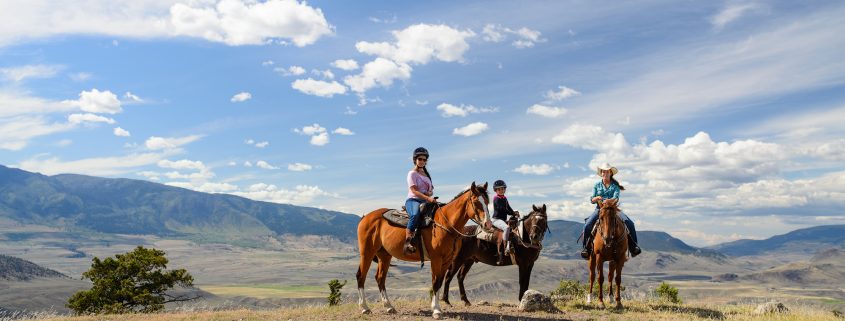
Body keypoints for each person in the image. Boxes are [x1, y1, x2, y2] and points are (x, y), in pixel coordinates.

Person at [581, 162, 641, 259]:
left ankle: (633, 247)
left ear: (610, 173)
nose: (605, 173)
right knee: (588, 224)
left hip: (613, 209)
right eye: (603, 172)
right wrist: (596, 198)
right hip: (600, 209)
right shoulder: (597, 185)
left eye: (607, 172)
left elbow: (616, 198)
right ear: (601, 173)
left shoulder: (615, 186)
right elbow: (592, 199)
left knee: (629, 223)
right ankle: (586, 249)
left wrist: (609, 201)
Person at [404, 147, 436, 255]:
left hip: (426, 200)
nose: (422, 161)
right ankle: (408, 241)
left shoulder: (427, 175)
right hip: (413, 200)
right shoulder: (412, 174)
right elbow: (414, 190)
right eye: (420, 159)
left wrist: (429, 194)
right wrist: (427, 197)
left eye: (424, 159)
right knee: (415, 214)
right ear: (415, 160)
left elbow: (431, 190)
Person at [491, 179, 518, 264]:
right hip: (496, 219)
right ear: (496, 190)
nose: (501, 190)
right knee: (507, 228)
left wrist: (514, 213)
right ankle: (506, 247)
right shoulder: (497, 198)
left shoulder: (504, 198)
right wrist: (511, 213)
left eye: (502, 188)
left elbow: (508, 207)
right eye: (499, 189)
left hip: (502, 220)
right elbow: (502, 209)